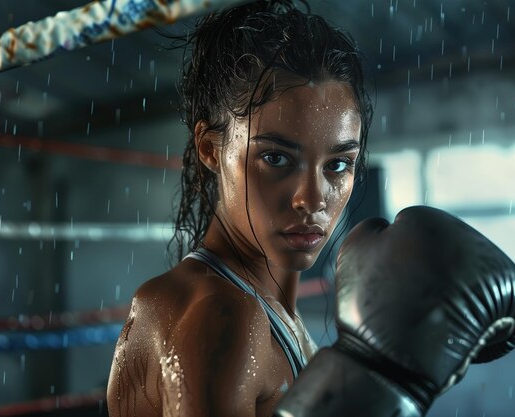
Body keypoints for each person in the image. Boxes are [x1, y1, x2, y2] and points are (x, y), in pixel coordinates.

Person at [106, 1, 374, 416]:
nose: (313, 198)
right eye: (277, 158)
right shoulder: (226, 315)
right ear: (211, 149)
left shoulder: (252, 310)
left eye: (338, 164)